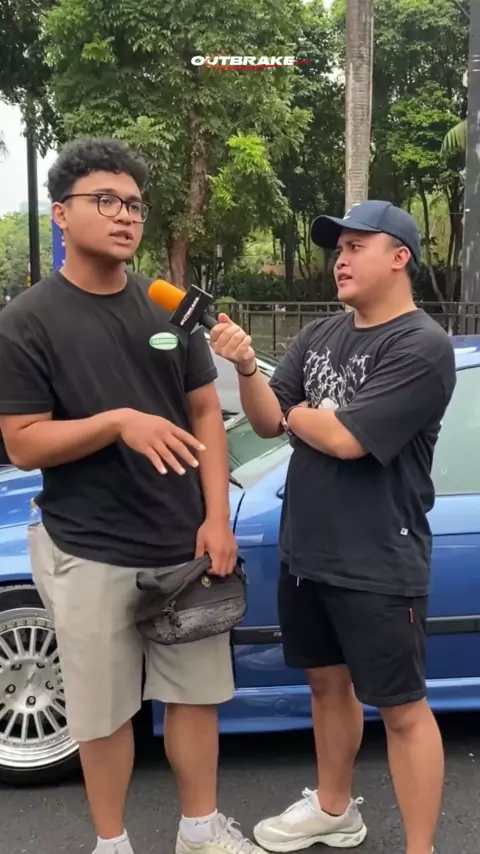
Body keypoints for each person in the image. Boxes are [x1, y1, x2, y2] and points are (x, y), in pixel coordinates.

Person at [0, 138, 264, 854]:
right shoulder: (27, 321)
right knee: (104, 711)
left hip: (182, 544)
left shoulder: (165, 306)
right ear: (61, 213)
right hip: (88, 547)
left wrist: (216, 518)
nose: (125, 216)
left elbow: (206, 411)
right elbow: (23, 442)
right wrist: (118, 422)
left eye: (135, 205)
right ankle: (111, 842)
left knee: (195, 697)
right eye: (106, 201)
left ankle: (201, 830)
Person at [209, 200, 457, 854]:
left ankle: (422, 847)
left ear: (399, 257)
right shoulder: (320, 335)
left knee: (402, 708)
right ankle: (334, 809)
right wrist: (246, 368)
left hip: (379, 558)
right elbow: (268, 419)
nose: (339, 260)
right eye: (337, 249)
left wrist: (306, 414)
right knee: (325, 684)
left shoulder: (421, 345)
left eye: (355, 247)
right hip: (307, 549)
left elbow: (348, 439)